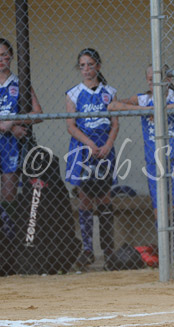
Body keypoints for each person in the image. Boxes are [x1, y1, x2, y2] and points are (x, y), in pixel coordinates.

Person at [108, 64, 174, 261]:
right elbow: (113, 105)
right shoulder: (144, 99)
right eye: (148, 77)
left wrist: (161, 110)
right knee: (159, 210)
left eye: (155, 77)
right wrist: (146, 109)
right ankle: (166, 256)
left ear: (166, 79)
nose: (151, 80)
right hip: (154, 162)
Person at [65, 48, 119, 270]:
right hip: (83, 151)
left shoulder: (110, 92)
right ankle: (88, 250)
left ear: (98, 65)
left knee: (105, 198)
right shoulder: (73, 93)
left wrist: (107, 144)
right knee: (85, 199)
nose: (86, 69)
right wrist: (89, 143)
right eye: (82, 65)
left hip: (104, 151)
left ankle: (108, 250)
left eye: (90, 64)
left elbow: (115, 123)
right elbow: (71, 126)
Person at [0, 38, 43, 242]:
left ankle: (10, 241)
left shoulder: (20, 83)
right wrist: (3, 125)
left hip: (10, 146)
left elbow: (38, 114)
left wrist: (14, 122)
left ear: (11, 57)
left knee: (9, 193)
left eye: (4, 55)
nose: (0, 59)